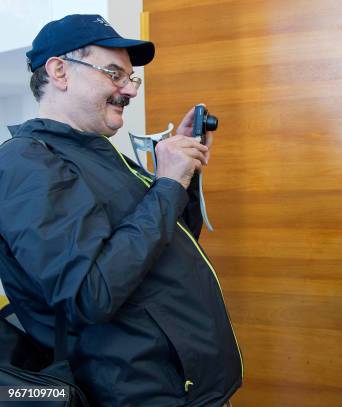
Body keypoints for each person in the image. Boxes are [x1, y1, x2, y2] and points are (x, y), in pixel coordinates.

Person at [0, 14, 241, 406]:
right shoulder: (25, 165)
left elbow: (168, 247)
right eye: (114, 74)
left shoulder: (98, 154)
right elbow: (89, 293)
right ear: (60, 71)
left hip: (189, 388)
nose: (129, 90)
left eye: (131, 78)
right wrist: (165, 184)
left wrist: (184, 176)